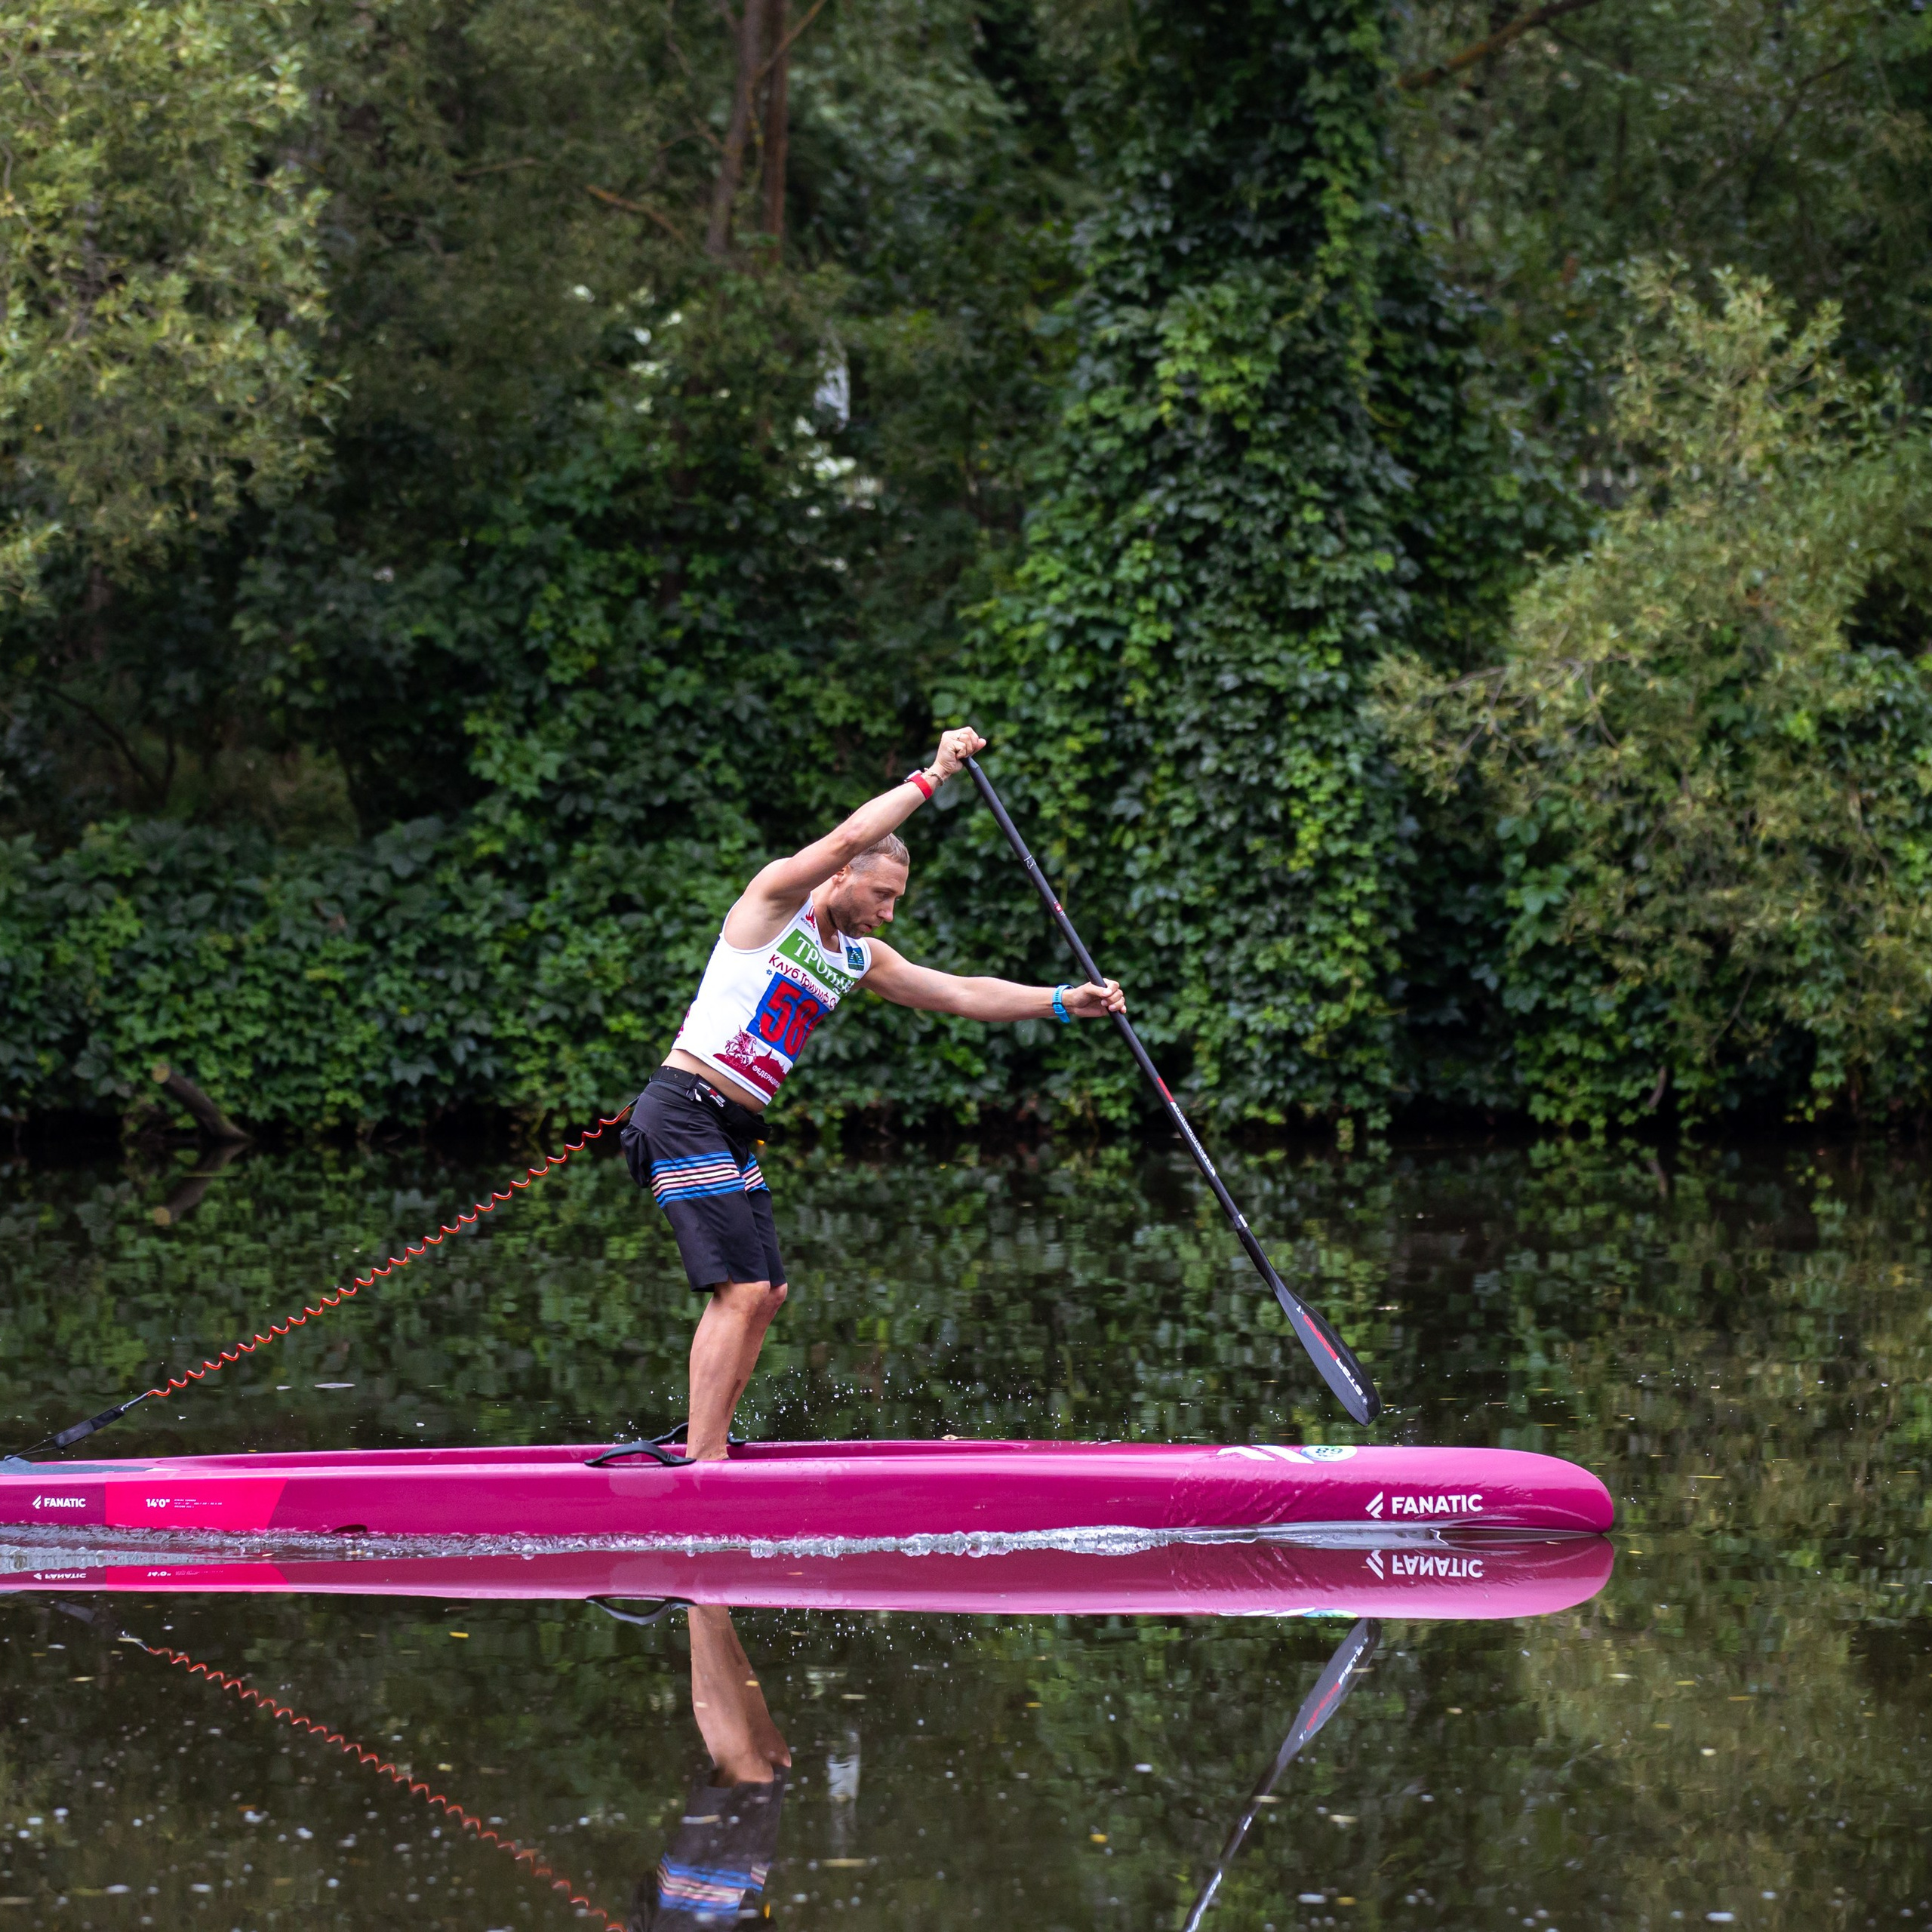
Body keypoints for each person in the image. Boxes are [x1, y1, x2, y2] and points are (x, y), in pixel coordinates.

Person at [621, 726, 1126, 1460]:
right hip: (682, 1110)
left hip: (730, 1127)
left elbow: (957, 992)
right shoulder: (775, 902)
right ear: (839, 878)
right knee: (738, 1290)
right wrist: (934, 776)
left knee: (767, 1292)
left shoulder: (858, 957)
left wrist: (1058, 1001)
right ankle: (703, 1468)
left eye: (896, 901)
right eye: (881, 895)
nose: (888, 913)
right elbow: (852, 831)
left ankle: (712, 1446)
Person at [628, 1605, 790, 1930]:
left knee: (747, 1774)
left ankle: (695, 1592)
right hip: (735, 1914)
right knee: (773, 1758)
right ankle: (713, 1597)